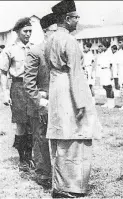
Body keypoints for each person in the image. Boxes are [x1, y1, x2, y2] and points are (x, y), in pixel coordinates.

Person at [45, 0, 102, 197]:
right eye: (75, 17)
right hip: (70, 89)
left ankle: (59, 184)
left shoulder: (50, 39)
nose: (77, 20)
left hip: (56, 88)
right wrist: (81, 103)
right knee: (76, 138)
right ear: (67, 19)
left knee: (62, 138)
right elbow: (76, 73)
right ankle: (71, 186)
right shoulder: (69, 41)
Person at [24, 13, 57, 188]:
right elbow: (28, 83)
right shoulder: (36, 51)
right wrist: (41, 102)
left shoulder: (60, 50)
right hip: (40, 104)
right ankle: (43, 174)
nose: (57, 34)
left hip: (58, 102)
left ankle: (58, 174)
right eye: (54, 30)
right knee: (41, 139)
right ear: (45, 31)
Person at [0, 17, 34, 172]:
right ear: (17, 31)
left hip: (33, 87)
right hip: (18, 87)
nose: (28, 34)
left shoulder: (34, 48)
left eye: (30, 31)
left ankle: (30, 156)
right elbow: (3, 73)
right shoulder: (9, 49)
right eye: (25, 31)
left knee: (32, 124)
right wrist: (5, 94)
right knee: (21, 123)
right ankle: (23, 160)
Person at [97, 41, 115, 108]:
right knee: (105, 87)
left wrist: (112, 74)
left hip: (108, 71)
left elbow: (111, 65)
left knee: (109, 87)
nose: (101, 47)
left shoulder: (109, 53)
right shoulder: (103, 54)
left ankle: (111, 103)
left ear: (106, 46)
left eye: (103, 46)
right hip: (103, 71)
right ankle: (108, 101)